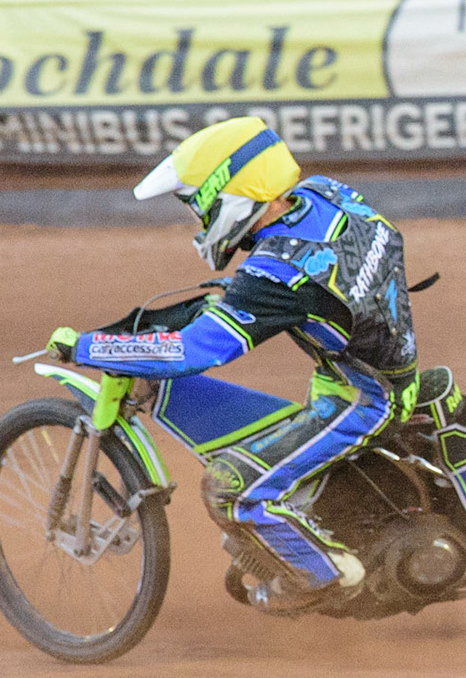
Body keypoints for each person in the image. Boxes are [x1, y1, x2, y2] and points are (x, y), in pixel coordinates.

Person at [43, 116, 419, 611]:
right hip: (372, 363)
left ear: (232, 195)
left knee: (230, 489)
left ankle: (330, 578)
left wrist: (88, 348)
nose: (199, 220)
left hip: (364, 399)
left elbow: (196, 352)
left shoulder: (277, 273)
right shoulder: (328, 196)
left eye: (198, 206)